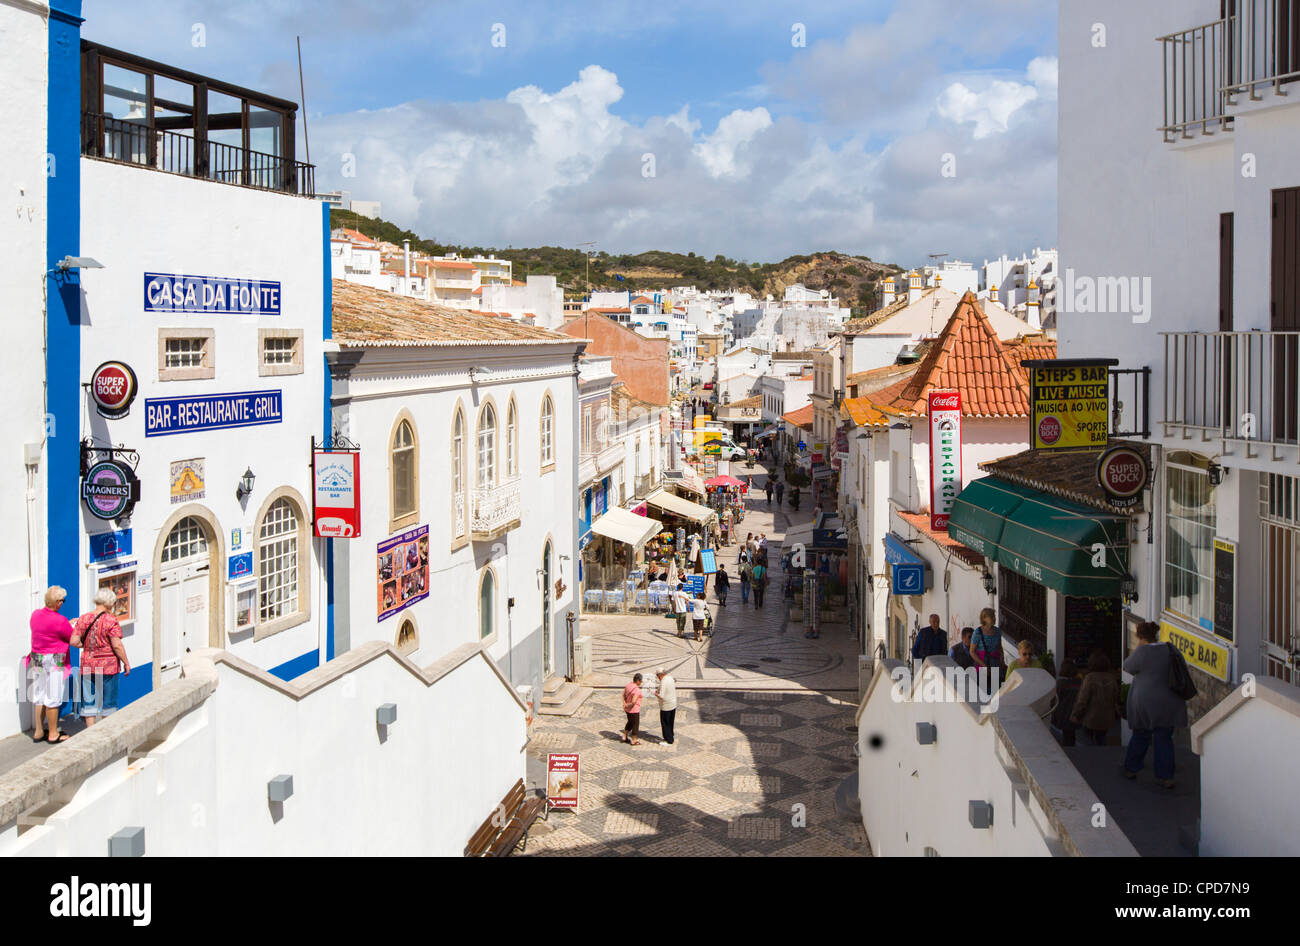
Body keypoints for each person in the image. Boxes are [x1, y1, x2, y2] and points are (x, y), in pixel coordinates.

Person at [1122, 622, 1187, 788]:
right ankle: (1165, 777)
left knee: (1141, 735)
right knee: (1164, 738)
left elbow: (1127, 666)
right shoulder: (1170, 649)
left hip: (1145, 703)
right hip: (1169, 702)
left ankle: (1131, 768)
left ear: (1140, 637)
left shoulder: (1142, 651)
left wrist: (1140, 648)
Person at [71, 588, 131, 726]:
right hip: (108, 666)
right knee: (109, 702)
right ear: (109, 603)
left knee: (89, 700)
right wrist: (126, 662)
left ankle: (90, 731)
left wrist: (88, 646)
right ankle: (106, 731)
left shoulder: (84, 618)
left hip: (88, 664)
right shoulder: (111, 620)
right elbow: (117, 645)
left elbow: (73, 641)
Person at [27, 586, 74, 743]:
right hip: (55, 658)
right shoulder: (60, 620)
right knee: (53, 696)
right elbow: (70, 636)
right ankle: (53, 734)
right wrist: (71, 625)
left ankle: (39, 732)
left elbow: (47, 629)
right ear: (58, 602)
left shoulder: (35, 615)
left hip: (37, 656)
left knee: (39, 695)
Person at [1071, 650, 1120, 746]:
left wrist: (1076, 713)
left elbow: (1083, 699)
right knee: (1101, 739)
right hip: (1107, 716)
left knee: (1088, 740)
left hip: (1091, 716)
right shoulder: (1112, 678)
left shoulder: (1090, 678)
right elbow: (1116, 698)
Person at [1052, 661, 1083, 746]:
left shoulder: (1060, 683)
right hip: (1075, 711)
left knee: (1066, 735)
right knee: (1071, 733)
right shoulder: (1079, 682)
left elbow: (1055, 698)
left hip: (1063, 712)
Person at [970, 608, 1004, 685]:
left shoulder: (997, 631)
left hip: (995, 663)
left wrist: (1002, 659)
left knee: (995, 688)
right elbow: (972, 652)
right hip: (982, 663)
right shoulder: (977, 632)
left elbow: (999, 647)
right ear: (984, 618)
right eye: (991, 616)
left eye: (994, 616)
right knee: (982, 688)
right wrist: (984, 666)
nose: (994, 618)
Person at [655, 668, 677, 746]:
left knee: (665, 723)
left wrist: (656, 694)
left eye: (657, 676)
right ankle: (671, 735)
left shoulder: (664, 681)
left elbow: (662, 696)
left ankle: (668, 740)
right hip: (673, 704)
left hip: (666, 706)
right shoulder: (670, 678)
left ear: (660, 675)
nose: (658, 678)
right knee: (670, 722)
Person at [621, 673, 643, 745]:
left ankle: (624, 736)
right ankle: (634, 740)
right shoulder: (636, 690)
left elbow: (623, 694)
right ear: (638, 681)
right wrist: (628, 705)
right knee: (635, 725)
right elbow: (633, 702)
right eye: (641, 681)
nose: (641, 683)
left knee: (630, 722)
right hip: (634, 710)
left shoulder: (628, 685)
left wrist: (624, 703)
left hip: (627, 710)